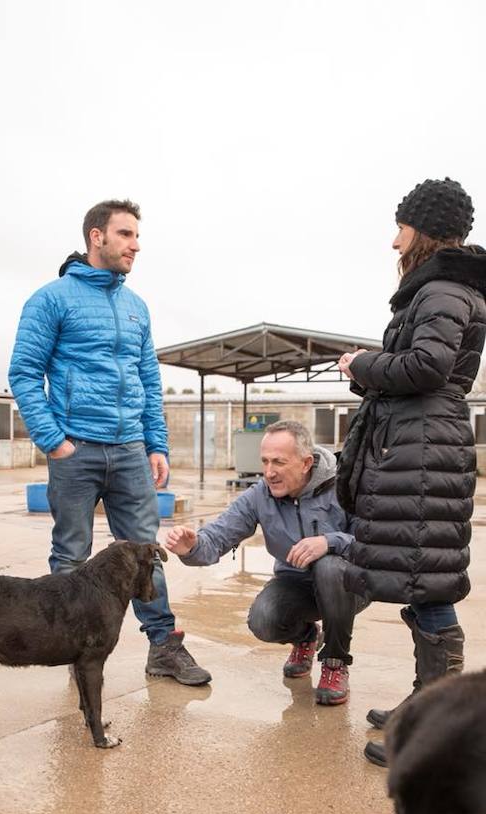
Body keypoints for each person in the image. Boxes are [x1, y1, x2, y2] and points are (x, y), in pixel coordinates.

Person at [8, 199, 210, 686]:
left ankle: (163, 647)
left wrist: (155, 444)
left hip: (130, 452)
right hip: (75, 448)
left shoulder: (136, 307)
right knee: (71, 556)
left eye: (137, 236)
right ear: (96, 236)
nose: (135, 245)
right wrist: (54, 441)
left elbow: (148, 379)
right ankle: (69, 651)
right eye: (125, 234)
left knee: (146, 552)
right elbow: (23, 372)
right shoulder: (51, 299)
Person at [336, 177, 486, 766]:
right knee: (419, 582)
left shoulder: (445, 289)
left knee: (429, 584)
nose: (393, 239)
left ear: (422, 229)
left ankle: (440, 725)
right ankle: (427, 702)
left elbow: (428, 366)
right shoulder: (436, 289)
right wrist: (366, 372)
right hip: (415, 446)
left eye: (401, 226)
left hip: (426, 450)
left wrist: (362, 362)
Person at [165, 420, 369, 705]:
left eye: (279, 462)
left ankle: (335, 662)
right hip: (297, 584)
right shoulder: (260, 495)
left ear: (306, 462)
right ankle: (306, 637)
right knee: (263, 619)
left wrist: (330, 542)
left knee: (329, 565)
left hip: (350, 584)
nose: (269, 472)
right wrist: (192, 546)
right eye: (265, 462)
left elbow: (374, 543)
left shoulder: (346, 486)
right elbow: (218, 535)